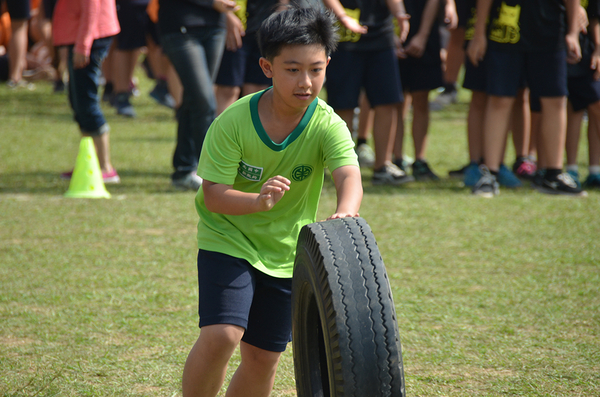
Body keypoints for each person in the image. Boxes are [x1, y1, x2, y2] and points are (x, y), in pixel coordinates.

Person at [182, 6, 363, 397]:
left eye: (316, 69)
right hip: (228, 239)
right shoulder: (233, 122)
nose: (306, 82)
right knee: (223, 335)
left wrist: (346, 211)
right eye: (292, 69)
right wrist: (257, 202)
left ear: (328, 64)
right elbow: (213, 195)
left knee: (264, 358)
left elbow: (348, 173)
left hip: (285, 253)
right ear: (267, 67)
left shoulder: (327, 123)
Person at [467, 0, 584, 196]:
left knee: (555, 100)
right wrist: (479, 33)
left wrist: (573, 33)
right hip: (505, 31)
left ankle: (553, 175)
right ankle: (490, 174)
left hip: (550, 31)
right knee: (500, 99)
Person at [322, 0, 412, 185]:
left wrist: (400, 14)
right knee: (343, 104)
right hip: (346, 36)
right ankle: (341, 168)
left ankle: (382, 166)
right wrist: (343, 17)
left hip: (381, 34)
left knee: (387, 101)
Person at [158, 0, 236, 190]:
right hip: (180, 27)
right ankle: (214, 175)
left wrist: (228, 13)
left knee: (194, 100)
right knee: (204, 101)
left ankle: (184, 170)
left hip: (215, 26)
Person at [53, 0, 121, 183]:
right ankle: (88, 161)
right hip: (83, 35)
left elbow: (92, 7)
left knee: (86, 101)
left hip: (90, 37)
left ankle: (106, 167)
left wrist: (83, 46)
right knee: (79, 102)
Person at [394, 0, 443, 181]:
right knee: (395, 102)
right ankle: (396, 159)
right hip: (391, 32)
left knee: (421, 100)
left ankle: (420, 161)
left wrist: (422, 35)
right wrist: (392, 36)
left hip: (425, 33)